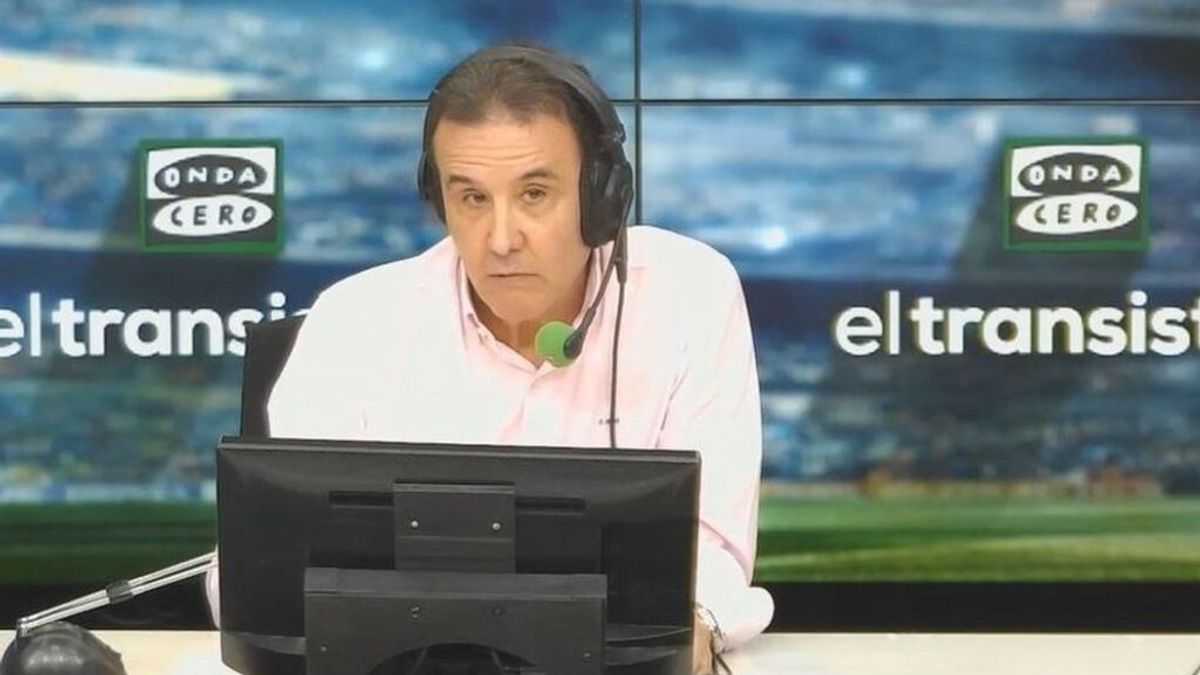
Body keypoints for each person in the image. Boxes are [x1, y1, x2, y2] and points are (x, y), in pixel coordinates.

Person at [206, 42, 773, 674]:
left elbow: (714, 544)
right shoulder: (353, 319)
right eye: (473, 199)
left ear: (602, 195)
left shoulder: (688, 293)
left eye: (534, 194)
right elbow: (266, 575)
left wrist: (695, 626)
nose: (501, 240)